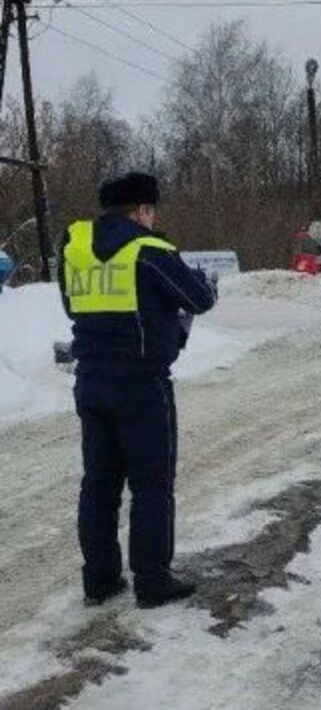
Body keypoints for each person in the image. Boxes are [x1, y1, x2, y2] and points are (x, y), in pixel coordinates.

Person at [58, 172, 216, 609]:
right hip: (142, 384)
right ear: (142, 209)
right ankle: (152, 580)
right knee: (152, 484)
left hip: (90, 380)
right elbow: (200, 299)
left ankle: (101, 579)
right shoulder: (150, 251)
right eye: (152, 210)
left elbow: (72, 304)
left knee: (99, 483)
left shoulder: (73, 245)